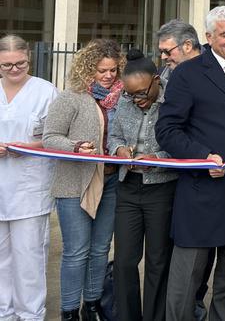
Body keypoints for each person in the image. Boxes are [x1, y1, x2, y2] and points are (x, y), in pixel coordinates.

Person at [156, 5, 225, 320]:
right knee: (187, 277)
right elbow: (167, 130)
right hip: (202, 190)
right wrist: (202, 158)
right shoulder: (187, 73)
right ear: (208, 36)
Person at [43, 39, 124, 321]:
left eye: (113, 70)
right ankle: (68, 312)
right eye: (102, 70)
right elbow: (50, 136)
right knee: (77, 251)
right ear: (88, 69)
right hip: (74, 184)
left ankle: (92, 306)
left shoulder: (121, 98)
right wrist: (75, 146)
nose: (109, 76)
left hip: (111, 182)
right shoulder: (71, 97)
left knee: (101, 248)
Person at [108, 49, 177, 321]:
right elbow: (113, 135)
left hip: (162, 189)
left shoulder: (174, 100)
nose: (137, 100)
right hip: (128, 187)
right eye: (130, 94)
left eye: (142, 94)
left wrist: (157, 159)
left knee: (158, 263)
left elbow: (183, 143)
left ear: (157, 80)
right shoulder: (125, 100)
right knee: (124, 261)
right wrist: (118, 150)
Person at [0, 35, 58, 321]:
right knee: (0, 259)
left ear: (29, 59)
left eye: (19, 63)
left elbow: (56, 136)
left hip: (30, 188)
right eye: (7, 65)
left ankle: (30, 314)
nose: (14, 69)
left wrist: (24, 147)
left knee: (29, 258)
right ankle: (4, 313)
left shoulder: (46, 92)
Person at [155, 18, 210, 319]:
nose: (164, 57)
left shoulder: (211, 71)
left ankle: (195, 304)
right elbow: (167, 126)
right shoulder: (166, 75)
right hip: (176, 173)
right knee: (180, 253)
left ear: (187, 45)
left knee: (203, 254)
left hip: (207, 173)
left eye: (167, 51)